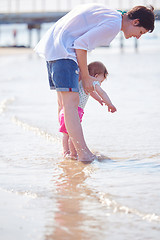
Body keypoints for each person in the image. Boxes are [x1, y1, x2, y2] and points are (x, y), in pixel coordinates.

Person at [34, 3, 155, 161]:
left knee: (63, 105)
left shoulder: (112, 15)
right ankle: (83, 153)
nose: (138, 37)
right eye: (140, 32)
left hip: (54, 47)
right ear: (135, 21)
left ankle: (68, 151)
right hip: (64, 52)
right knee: (71, 104)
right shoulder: (114, 24)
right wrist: (85, 77)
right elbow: (80, 45)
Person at [59, 61, 116, 159]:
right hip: (76, 111)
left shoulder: (83, 81)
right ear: (96, 75)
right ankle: (73, 154)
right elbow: (102, 92)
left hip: (65, 110)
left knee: (66, 134)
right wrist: (109, 104)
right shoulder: (93, 81)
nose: (100, 84)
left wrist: (99, 100)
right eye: (101, 81)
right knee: (73, 133)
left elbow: (92, 93)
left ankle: (65, 152)